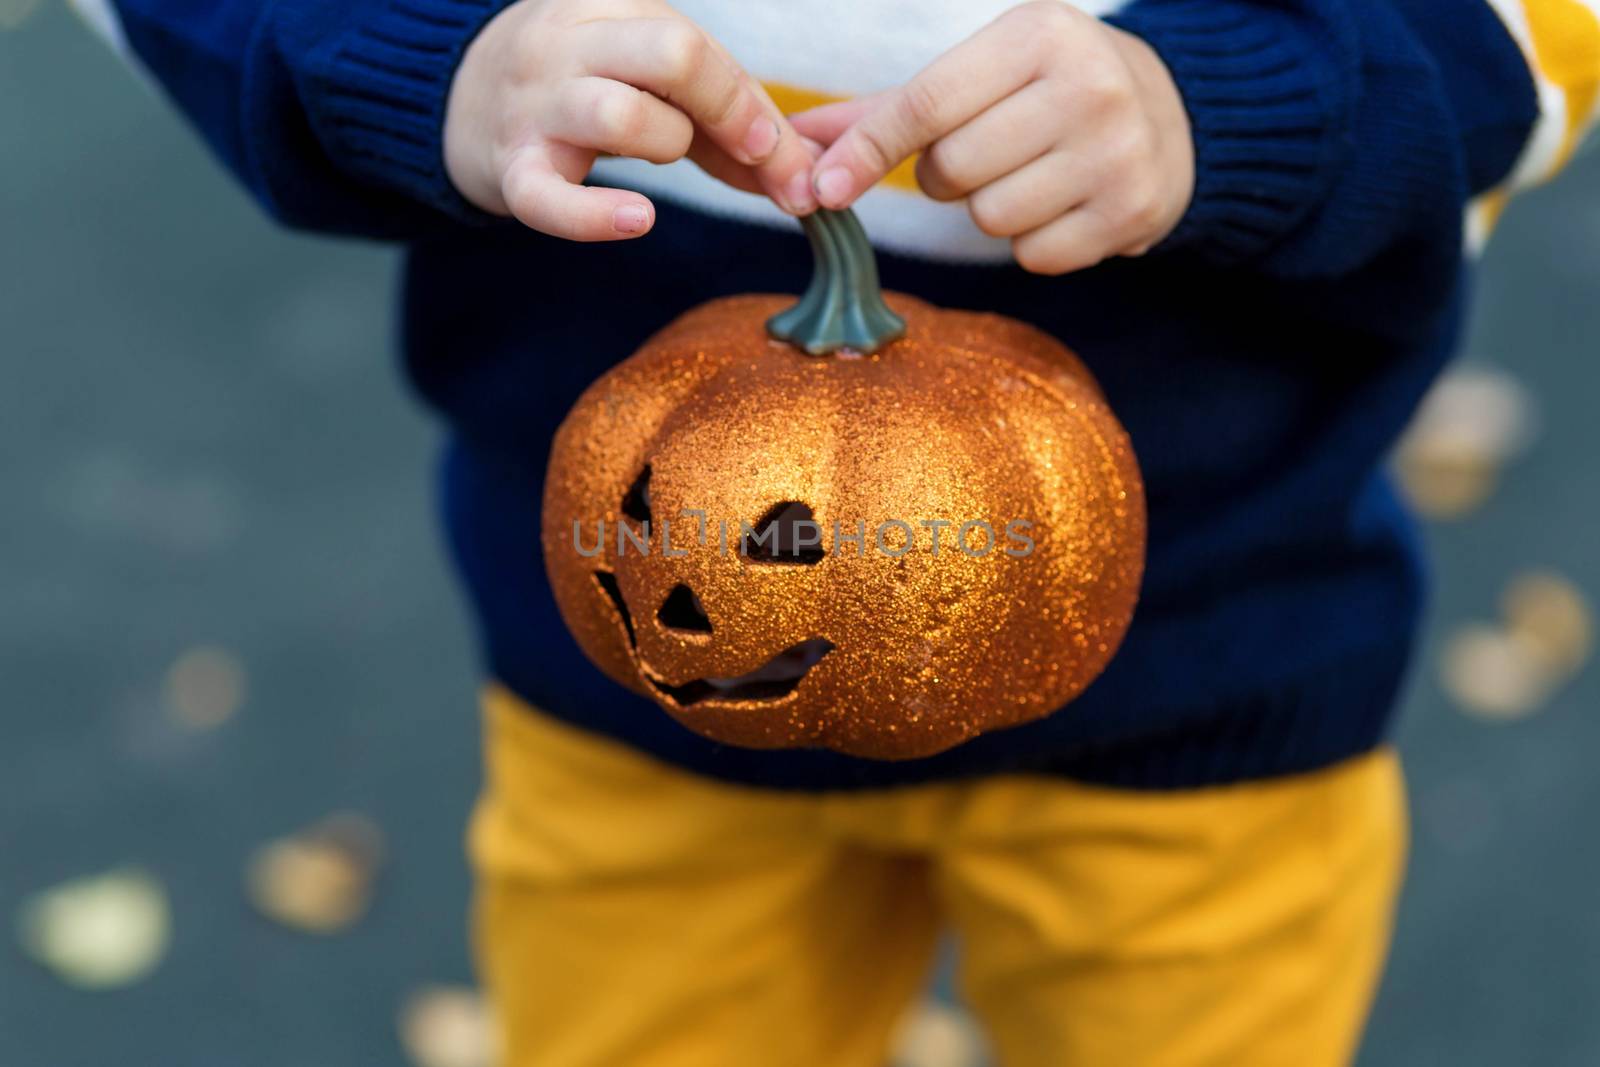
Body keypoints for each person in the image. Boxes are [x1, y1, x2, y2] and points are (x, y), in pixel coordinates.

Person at [72, 0, 1599, 1062]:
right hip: (634, 727)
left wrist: (1241, 93)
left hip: (1209, 693)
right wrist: (428, 55)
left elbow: (1539, 37)